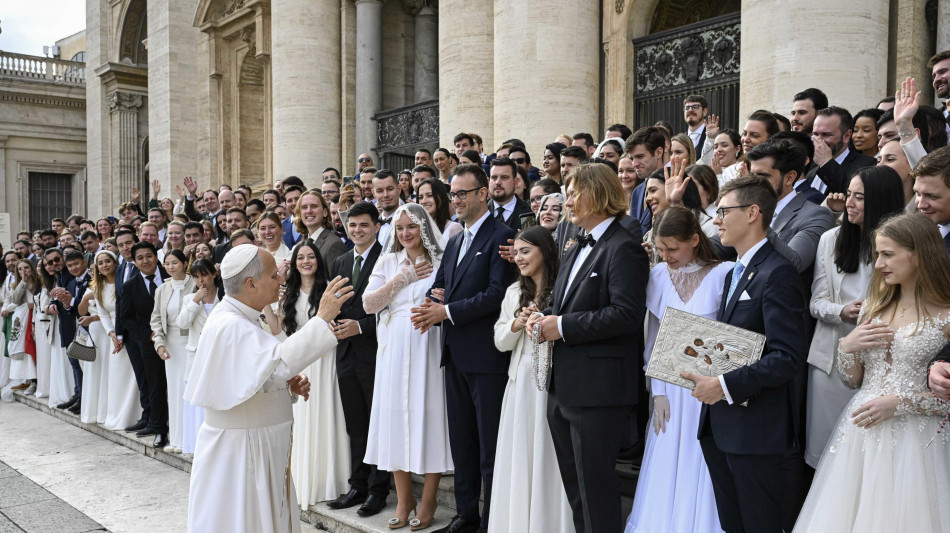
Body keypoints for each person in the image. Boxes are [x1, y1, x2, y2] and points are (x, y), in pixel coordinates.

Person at [793, 213, 950, 532]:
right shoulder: (872, 307)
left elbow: (946, 398)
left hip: (917, 443)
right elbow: (854, 381)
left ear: (918, 254)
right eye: (878, 254)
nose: (879, 264)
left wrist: (899, 404)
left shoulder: (946, 316)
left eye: (887, 254)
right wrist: (846, 347)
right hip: (860, 433)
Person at [184, 244, 353, 533]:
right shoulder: (232, 324)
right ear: (251, 284)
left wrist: (284, 385)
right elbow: (280, 363)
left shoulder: (236, 316)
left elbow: (255, 373)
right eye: (273, 275)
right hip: (245, 450)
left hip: (251, 443)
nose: (280, 280)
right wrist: (322, 319)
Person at [526, 162, 649, 533]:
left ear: (598, 193)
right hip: (564, 387)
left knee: (596, 491)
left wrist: (561, 327)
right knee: (577, 491)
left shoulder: (624, 247)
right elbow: (561, 303)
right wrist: (541, 316)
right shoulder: (575, 243)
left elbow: (626, 315)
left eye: (574, 193)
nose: (567, 202)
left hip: (599, 391)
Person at [683, 176, 807, 533]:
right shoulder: (735, 271)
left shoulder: (778, 273)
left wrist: (723, 385)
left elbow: (787, 357)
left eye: (724, 211)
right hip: (722, 428)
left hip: (757, 432)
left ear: (753, 213)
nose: (717, 220)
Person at [410, 163, 516, 533]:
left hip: (486, 357)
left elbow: (496, 295)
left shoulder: (502, 236)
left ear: (483, 194)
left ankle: (491, 519)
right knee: (462, 442)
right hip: (453, 354)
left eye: (461, 193)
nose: (455, 200)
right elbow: (440, 284)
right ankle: (466, 514)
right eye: (452, 193)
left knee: (489, 445)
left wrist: (447, 311)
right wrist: (431, 302)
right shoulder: (455, 239)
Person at [625, 207, 730, 533]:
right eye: (660, 248)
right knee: (667, 454)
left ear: (695, 240)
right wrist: (657, 391)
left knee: (701, 458)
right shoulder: (657, 276)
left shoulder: (723, 274)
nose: (666, 256)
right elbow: (654, 336)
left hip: (707, 386)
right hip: (669, 386)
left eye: (672, 248)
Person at [805, 166, 906, 468]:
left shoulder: (903, 244)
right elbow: (816, 302)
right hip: (830, 361)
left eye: (859, 197)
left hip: (882, 362)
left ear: (880, 200)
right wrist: (841, 312)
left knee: (870, 457)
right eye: (849, 194)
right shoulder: (830, 239)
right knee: (826, 456)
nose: (849, 203)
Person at [363, 203, 453, 531]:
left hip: (428, 344)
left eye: (411, 226)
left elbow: (451, 298)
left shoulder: (442, 260)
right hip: (393, 349)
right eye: (399, 228)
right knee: (394, 420)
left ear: (424, 227)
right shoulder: (389, 262)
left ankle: (428, 499)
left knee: (429, 416)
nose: (405, 233)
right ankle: (404, 499)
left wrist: (443, 297)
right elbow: (368, 303)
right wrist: (403, 278)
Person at [488, 225, 573, 533]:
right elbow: (500, 341)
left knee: (550, 453)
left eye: (526, 251)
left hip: (555, 380)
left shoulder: (564, 287)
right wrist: (516, 323)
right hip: (521, 382)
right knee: (521, 454)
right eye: (516, 253)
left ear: (545, 251)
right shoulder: (514, 292)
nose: (519, 258)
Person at [267, 240, 350, 509]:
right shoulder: (288, 295)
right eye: (300, 257)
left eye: (310, 256)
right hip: (301, 364)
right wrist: (268, 301)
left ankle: (332, 480)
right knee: (303, 422)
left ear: (318, 260)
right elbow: (276, 328)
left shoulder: (327, 291)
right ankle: (305, 480)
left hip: (326, 362)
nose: (306, 261)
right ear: (294, 264)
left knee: (328, 416)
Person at [326, 202, 391, 518]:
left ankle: (379, 490)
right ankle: (358, 485)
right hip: (345, 353)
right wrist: (330, 321)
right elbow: (332, 300)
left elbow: (393, 310)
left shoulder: (388, 258)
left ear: (377, 226)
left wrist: (362, 326)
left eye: (364, 225)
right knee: (355, 424)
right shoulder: (341, 260)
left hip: (375, 352)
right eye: (352, 225)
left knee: (377, 422)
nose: (357, 230)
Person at [117, 241, 170, 448]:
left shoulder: (170, 273)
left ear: (156, 256)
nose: (145, 261)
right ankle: (159, 429)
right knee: (155, 386)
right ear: (135, 261)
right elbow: (126, 317)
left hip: (178, 339)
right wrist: (149, 335)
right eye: (140, 258)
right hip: (150, 343)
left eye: (149, 256)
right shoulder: (130, 285)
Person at [88, 250, 140, 431]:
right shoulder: (98, 287)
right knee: (118, 377)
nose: (104, 265)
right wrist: (112, 334)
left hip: (130, 329)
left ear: (115, 262)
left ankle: (137, 415)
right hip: (114, 335)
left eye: (107, 261)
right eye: (100, 263)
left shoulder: (125, 281)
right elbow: (103, 313)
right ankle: (119, 415)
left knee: (134, 376)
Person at [150, 249, 195, 453]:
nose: (170, 267)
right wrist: (159, 344)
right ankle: (177, 439)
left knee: (189, 389)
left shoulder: (195, 284)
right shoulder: (162, 289)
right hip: (171, 346)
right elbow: (156, 319)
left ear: (185, 263)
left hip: (191, 342)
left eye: (174, 262)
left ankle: (191, 439)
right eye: (167, 263)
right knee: (175, 392)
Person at [177, 259, 220, 455]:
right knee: (196, 402)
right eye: (196, 277)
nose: (201, 281)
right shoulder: (189, 299)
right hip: (196, 357)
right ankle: (196, 445)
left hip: (218, 356)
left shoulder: (224, 297)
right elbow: (182, 323)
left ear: (214, 274)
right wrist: (195, 301)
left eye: (204, 275)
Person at [295, 189, 347, 268]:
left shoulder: (334, 244)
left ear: (325, 212)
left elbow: (338, 276)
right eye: (304, 207)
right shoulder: (302, 243)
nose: (309, 211)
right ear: (300, 213)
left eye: (314, 206)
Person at [488, 158, 533, 231]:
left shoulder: (528, 213)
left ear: (515, 182)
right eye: (494, 177)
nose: (498, 182)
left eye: (504, 177)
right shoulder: (479, 211)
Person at [416, 178, 463, 247]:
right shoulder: (416, 229)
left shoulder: (454, 228)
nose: (423, 201)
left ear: (442, 198)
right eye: (420, 197)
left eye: (430, 195)